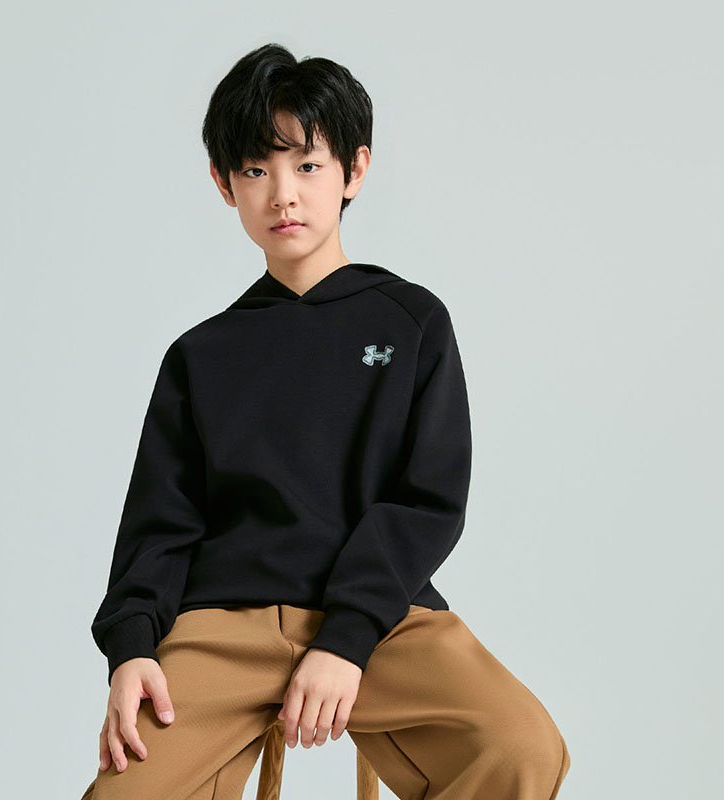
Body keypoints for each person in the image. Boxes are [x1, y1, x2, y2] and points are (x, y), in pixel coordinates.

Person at [79, 42, 571, 800]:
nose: (283, 195)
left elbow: (428, 500)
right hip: (223, 627)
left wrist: (346, 638)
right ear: (223, 184)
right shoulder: (200, 354)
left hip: (380, 619)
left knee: (520, 745)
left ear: (355, 170)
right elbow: (161, 521)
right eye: (255, 170)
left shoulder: (411, 322)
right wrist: (131, 648)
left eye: (308, 165)